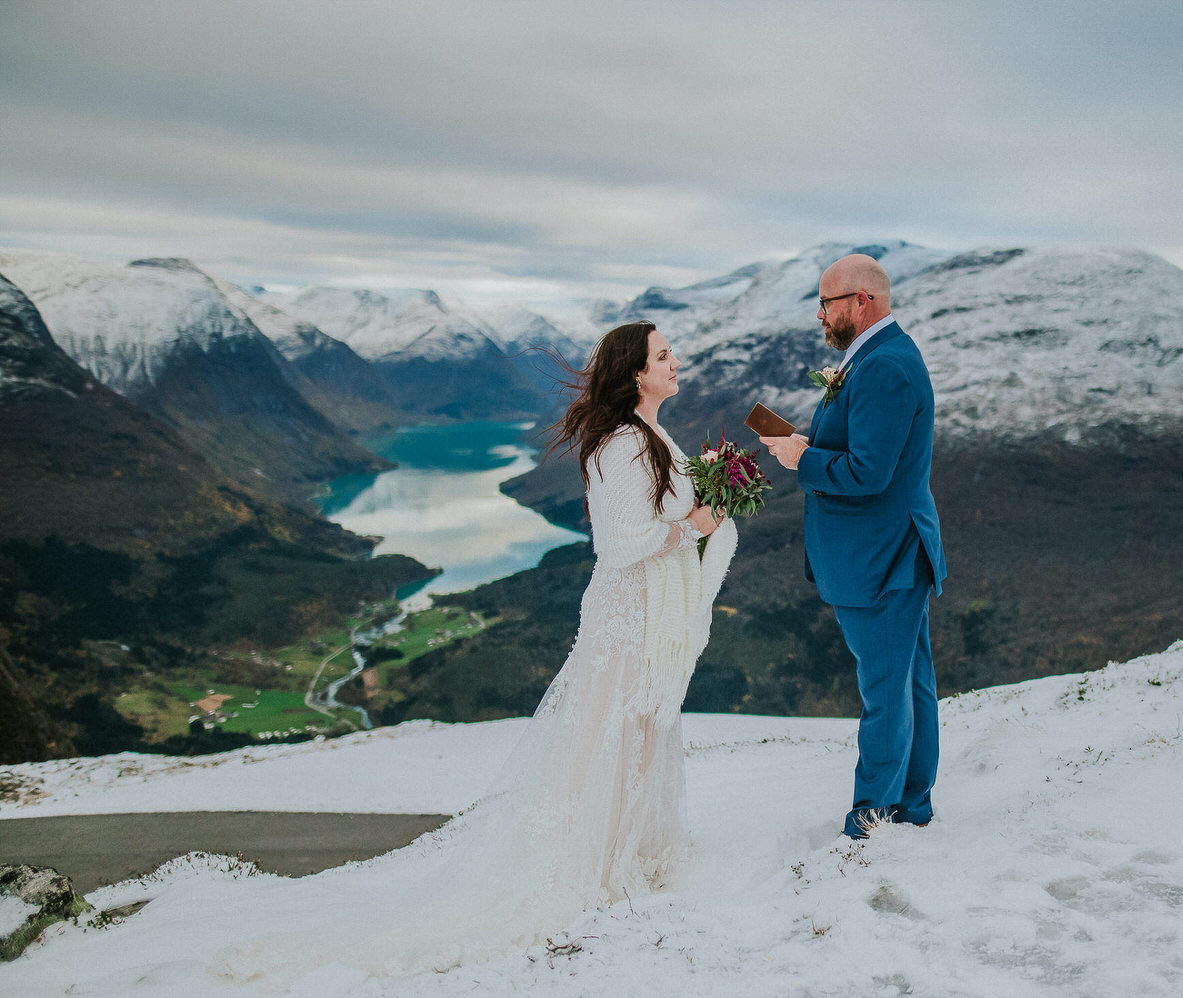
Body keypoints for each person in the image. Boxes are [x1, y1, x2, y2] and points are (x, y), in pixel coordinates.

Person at [7, 320, 737, 989]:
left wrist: (701, 502)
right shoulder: (617, 444)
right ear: (634, 373)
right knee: (607, 732)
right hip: (623, 612)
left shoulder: (650, 434)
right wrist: (690, 526)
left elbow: (662, 516)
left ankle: (629, 852)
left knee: (639, 726)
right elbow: (618, 546)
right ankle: (596, 864)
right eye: (664, 356)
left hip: (647, 614)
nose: (677, 364)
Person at [760, 253, 946, 839]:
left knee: (886, 689)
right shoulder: (872, 358)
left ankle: (872, 819)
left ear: (861, 301)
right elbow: (863, 443)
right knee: (908, 679)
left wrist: (802, 460)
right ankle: (910, 804)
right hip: (884, 553)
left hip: (883, 558)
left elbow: (869, 473)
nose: (820, 314)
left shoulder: (886, 365)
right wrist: (807, 441)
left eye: (826, 303)